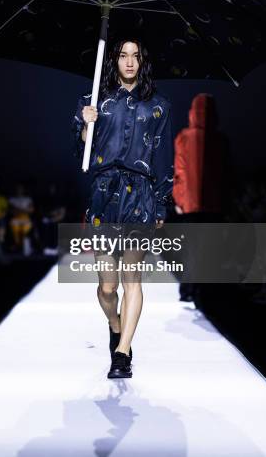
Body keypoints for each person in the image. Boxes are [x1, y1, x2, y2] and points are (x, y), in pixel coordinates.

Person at [72, 38, 174, 379]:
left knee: (133, 279)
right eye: (123, 56)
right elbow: (82, 156)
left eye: (136, 56)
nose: (129, 62)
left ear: (143, 62)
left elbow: (163, 158)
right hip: (104, 194)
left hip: (140, 196)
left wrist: (160, 205)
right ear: (113, 60)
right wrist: (87, 126)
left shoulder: (159, 106)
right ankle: (115, 325)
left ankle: (122, 352)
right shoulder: (94, 102)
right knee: (107, 287)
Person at [172, 93, 231, 303]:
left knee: (191, 249)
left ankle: (188, 291)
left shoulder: (183, 137)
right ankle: (204, 293)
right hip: (214, 205)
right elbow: (226, 175)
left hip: (190, 205)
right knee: (210, 250)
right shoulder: (221, 141)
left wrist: (178, 200)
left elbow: (180, 172)